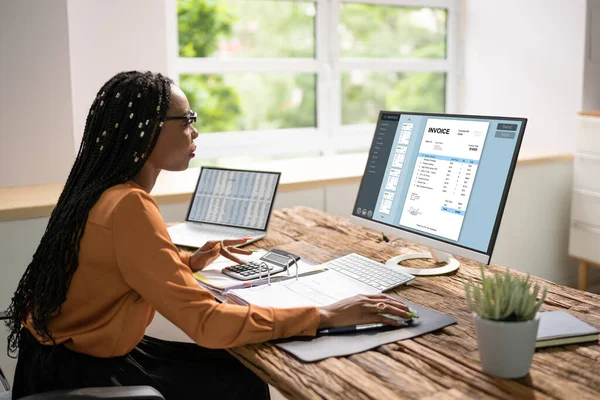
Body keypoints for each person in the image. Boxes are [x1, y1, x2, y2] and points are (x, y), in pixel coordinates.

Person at [4, 71, 410, 399]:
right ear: (147, 131)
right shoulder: (129, 206)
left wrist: (183, 263)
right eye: (188, 120)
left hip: (51, 362)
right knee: (242, 380)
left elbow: (110, 273)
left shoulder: (97, 192)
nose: (195, 132)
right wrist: (325, 315)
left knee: (233, 371)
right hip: (83, 373)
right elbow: (208, 324)